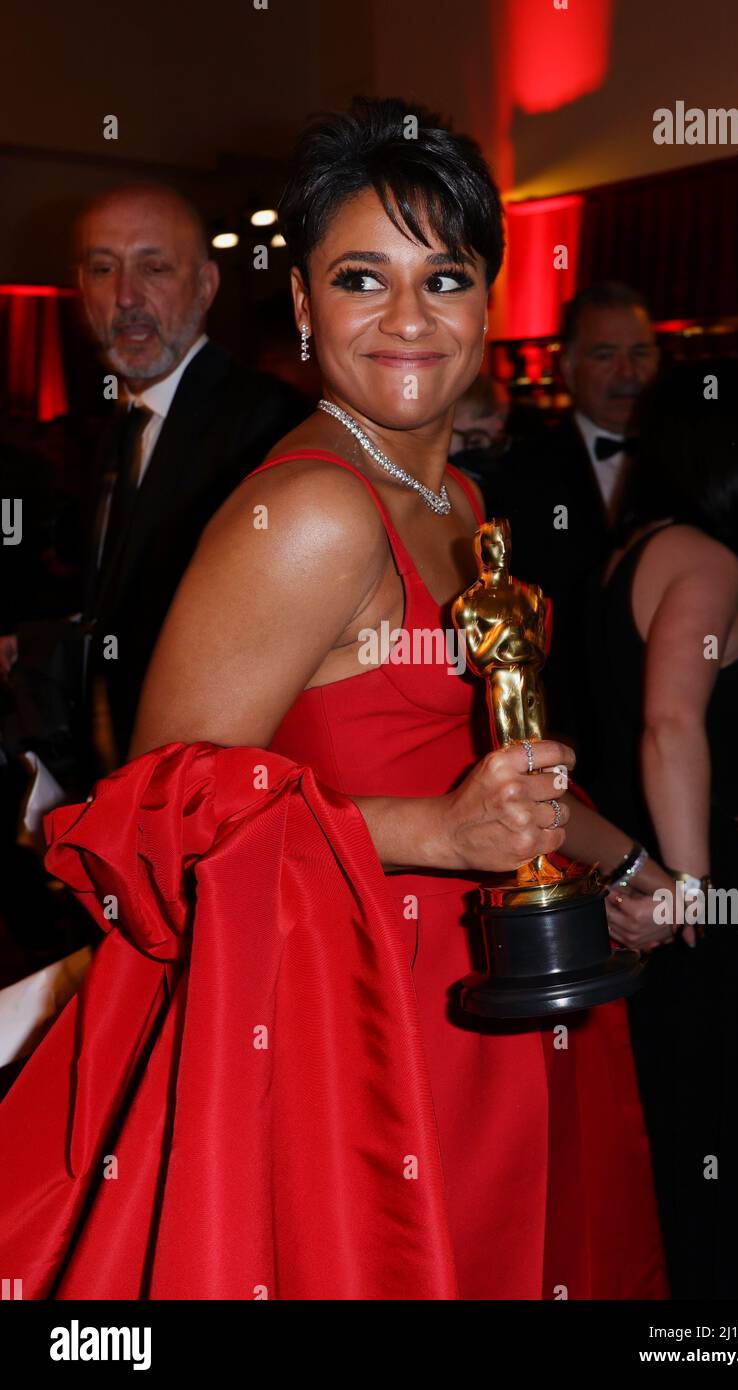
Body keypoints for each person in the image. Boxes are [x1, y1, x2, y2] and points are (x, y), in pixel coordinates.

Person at [0, 98, 668, 1301]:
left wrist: (621, 869)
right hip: (352, 1023)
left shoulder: (460, 501)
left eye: (444, 276)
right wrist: (436, 835)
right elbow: (152, 824)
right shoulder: (307, 512)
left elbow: (486, 757)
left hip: (485, 981)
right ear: (302, 307)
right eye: (361, 277)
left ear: (487, 303)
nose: (407, 318)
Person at [588, 360, 738, 1299]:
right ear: (728, 441)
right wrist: (692, 892)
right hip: (720, 891)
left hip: (667, 869)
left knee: (698, 1141)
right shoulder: (704, 558)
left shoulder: (636, 551)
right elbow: (671, 722)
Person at [75, 183, 309, 771]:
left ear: (206, 286)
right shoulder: (118, 426)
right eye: (103, 269)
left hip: (216, 787)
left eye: (154, 267)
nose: (126, 296)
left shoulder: (269, 425)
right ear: (82, 291)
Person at [502, 283, 659, 761]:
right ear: (566, 367)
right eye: (605, 355)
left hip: (670, 724)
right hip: (571, 736)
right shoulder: (520, 472)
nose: (627, 373)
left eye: (640, 353)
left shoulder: (691, 467)